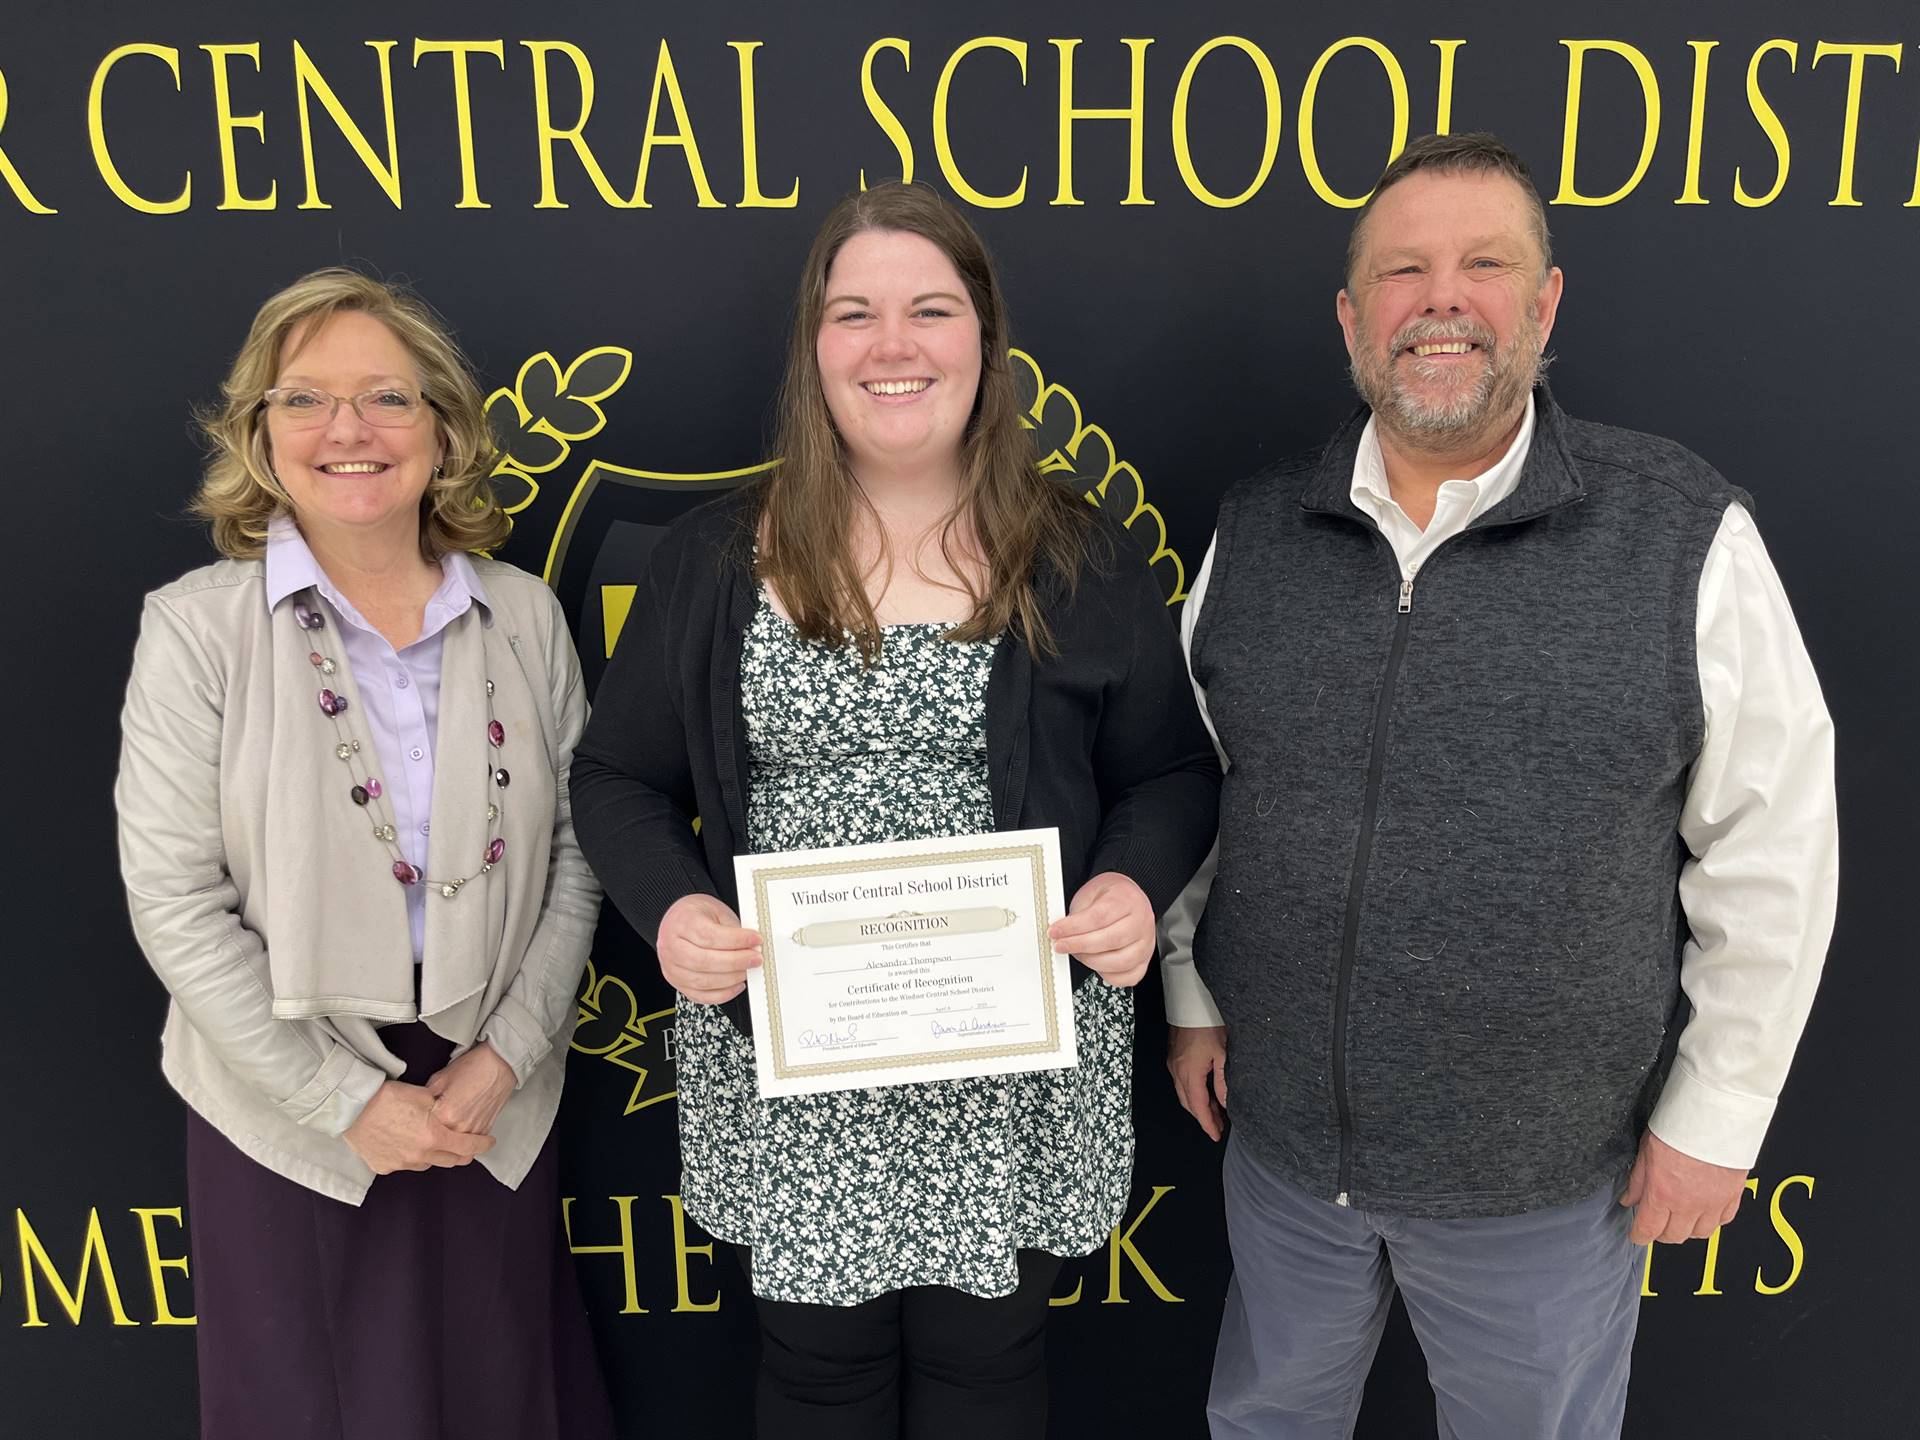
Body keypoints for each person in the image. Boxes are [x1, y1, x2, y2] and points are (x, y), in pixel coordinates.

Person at [1159, 133, 1837, 1438]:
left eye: (1485, 263)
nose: (1442, 300)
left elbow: (1774, 843)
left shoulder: (1677, 532)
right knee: (1267, 1419)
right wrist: (1193, 996)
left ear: (1545, 301)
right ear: (1354, 319)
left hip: (1543, 1181)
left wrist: (1719, 1115)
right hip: (1289, 1155)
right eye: (1403, 272)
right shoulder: (1255, 534)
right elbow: (1204, 788)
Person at [570, 181, 1219, 1438]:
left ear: (985, 336)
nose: (893, 344)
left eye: (930, 309)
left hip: (1009, 1056)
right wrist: (675, 909)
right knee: (816, 1376)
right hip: (799, 1055)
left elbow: (1172, 775)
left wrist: (1132, 885)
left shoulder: (1074, 557)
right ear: (814, 348)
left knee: (991, 1367)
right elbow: (616, 780)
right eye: (853, 312)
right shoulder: (718, 558)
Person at [115, 268, 613, 1440]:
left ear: (443, 431)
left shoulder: (526, 616)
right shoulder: (197, 628)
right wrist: (344, 1103)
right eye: (304, 400)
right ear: (260, 437)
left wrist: (505, 1058)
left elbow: (581, 860)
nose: (347, 431)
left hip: (486, 1099)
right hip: (288, 1115)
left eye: (386, 396)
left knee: (502, 1394)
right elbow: (174, 901)